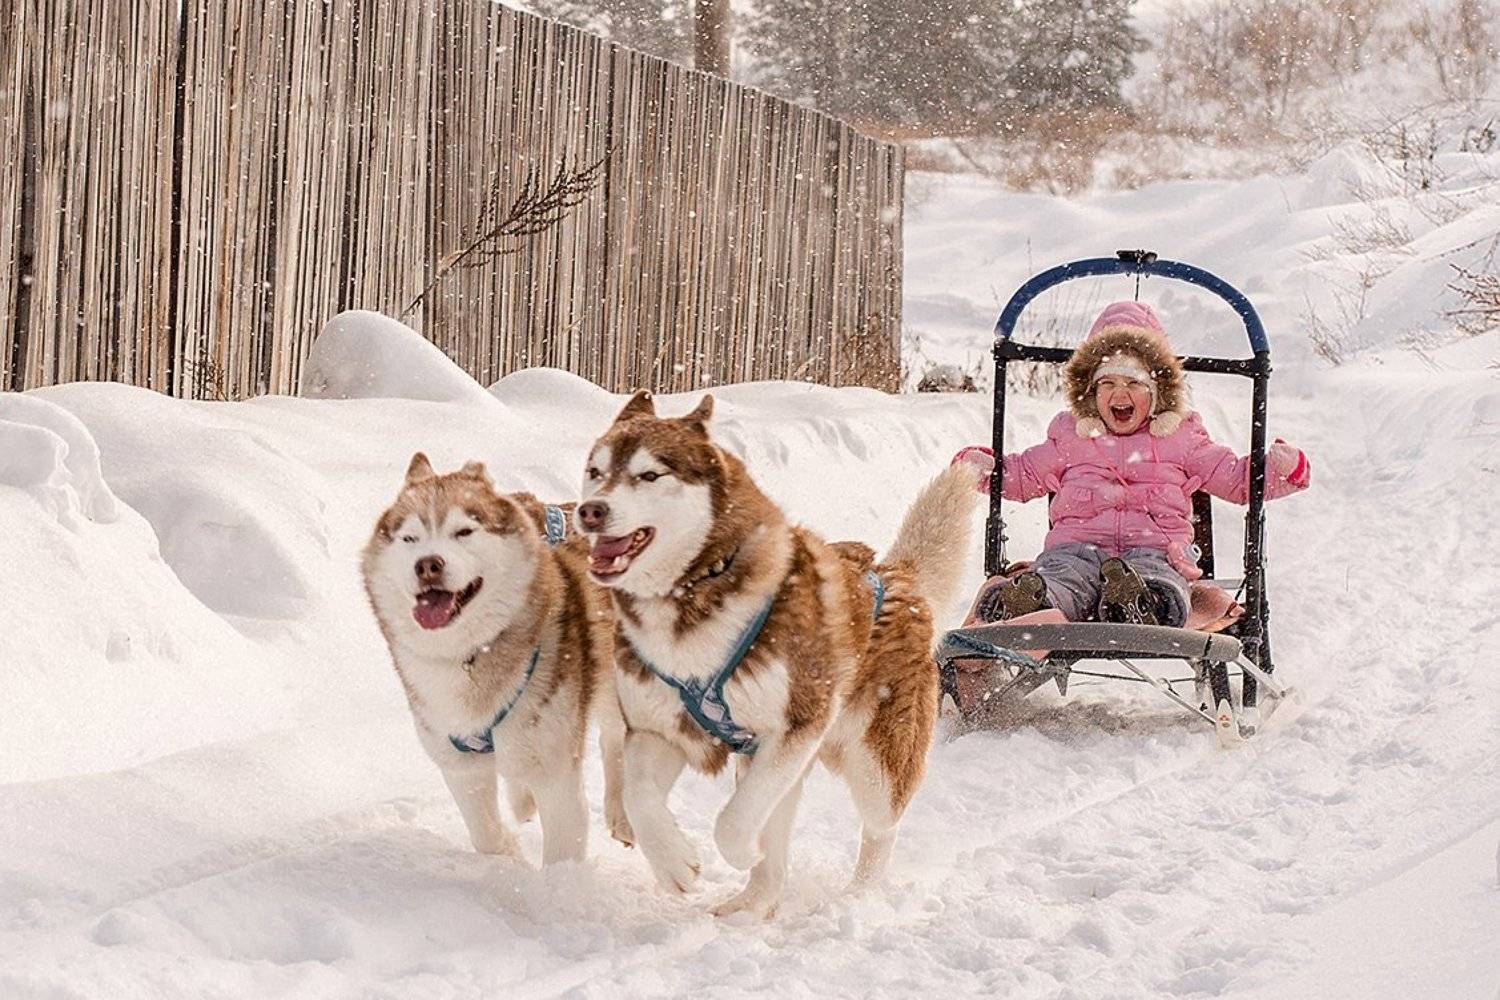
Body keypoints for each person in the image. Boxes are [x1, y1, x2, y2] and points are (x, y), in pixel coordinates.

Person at [953, 300, 1310, 627]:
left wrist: (1280, 471)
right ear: (1091, 391)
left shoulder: (1181, 436)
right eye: (1107, 382)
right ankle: (1034, 602)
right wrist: (981, 471)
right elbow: (1024, 474)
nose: (1119, 393)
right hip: (1074, 549)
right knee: (1062, 577)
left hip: (1155, 551)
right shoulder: (1071, 435)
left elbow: (1235, 479)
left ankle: (1141, 602)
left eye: (1133, 382)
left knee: (1160, 577)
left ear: (1157, 391)